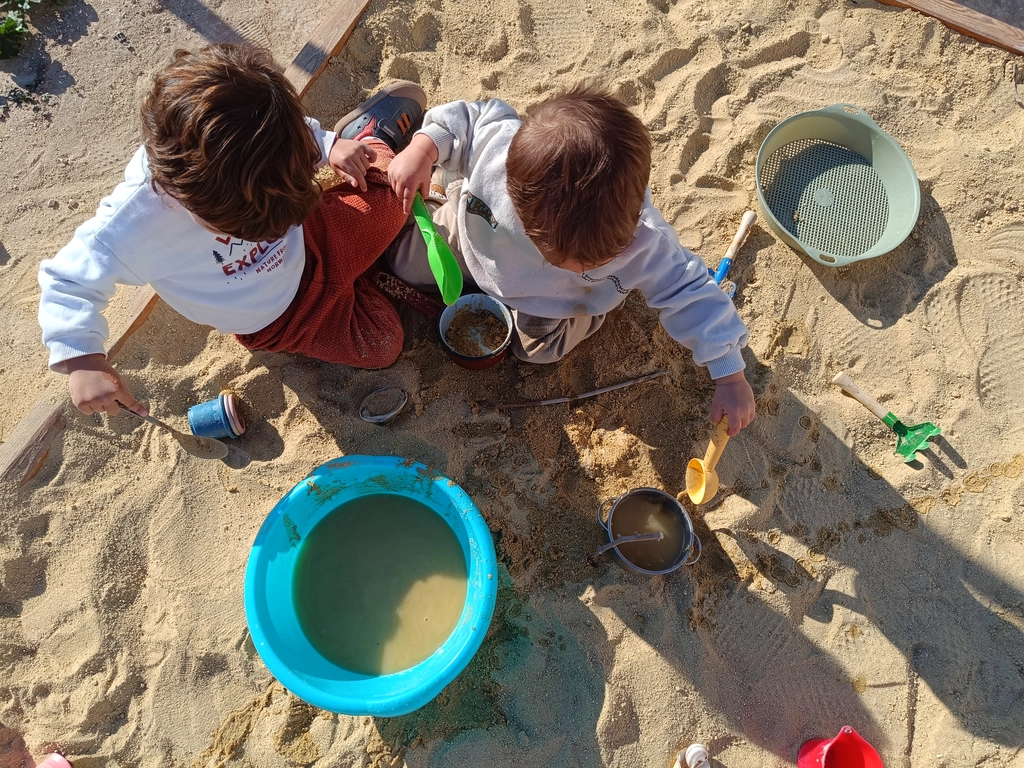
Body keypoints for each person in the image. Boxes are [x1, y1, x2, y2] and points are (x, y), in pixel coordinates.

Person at [38, 44, 425, 417]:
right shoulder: (134, 221)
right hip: (280, 318)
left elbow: (288, 132)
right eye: (244, 228)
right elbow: (68, 282)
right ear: (182, 195)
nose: (260, 235)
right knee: (383, 344)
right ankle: (366, 272)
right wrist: (84, 360)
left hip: (312, 242)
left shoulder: (264, 134)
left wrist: (330, 146)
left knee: (395, 193)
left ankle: (370, 138)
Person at [385, 85, 755, 434]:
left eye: (590, 262)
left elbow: (692, 293)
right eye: (556, 254)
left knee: (539, 350)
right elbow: (463, 121)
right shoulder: (500, 155)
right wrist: (423, 149)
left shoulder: (647, 244)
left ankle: (589, 314)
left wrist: (730, 376)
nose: (566, 265)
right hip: (477, 236)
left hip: (556, 298)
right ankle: (436, 187)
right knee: (401, 262)